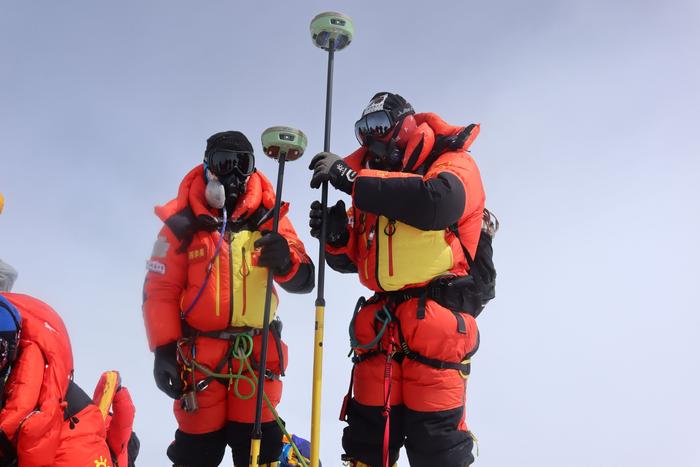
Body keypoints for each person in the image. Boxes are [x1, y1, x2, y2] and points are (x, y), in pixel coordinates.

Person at [309, 93, 485, 467]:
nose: (372, 139)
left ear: (406, 124)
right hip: (380, 332)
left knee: (438, 449)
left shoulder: (453, 162)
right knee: (366, 445)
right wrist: (336, 238)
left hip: (434, 325)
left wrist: (352, 180)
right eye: (363, 132)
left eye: (379, 126)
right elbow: (356, 262)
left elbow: (436, 203)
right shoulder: (371, 186)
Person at [143, 131, 315, 467]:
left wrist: (286, 260)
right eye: (223, 163)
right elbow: (159, 290)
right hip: (200, 362)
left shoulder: (270, 218)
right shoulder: (181, 224)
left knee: (259, 452)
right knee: (195, 452)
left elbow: (305, 279)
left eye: (242, 164)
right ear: (208, 168)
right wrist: (163, 349)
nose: (233, 174)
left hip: (255, 359)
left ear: (252, 170)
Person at [0, 293, 138, 467]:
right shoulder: (115, 444)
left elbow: (123, 418)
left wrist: (117, 391)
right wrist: (118, 391)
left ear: (14, 351)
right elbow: (124, 419)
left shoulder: (80, 441)